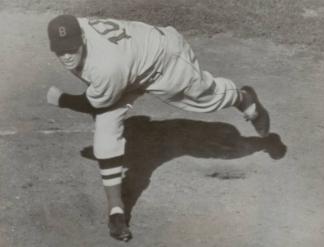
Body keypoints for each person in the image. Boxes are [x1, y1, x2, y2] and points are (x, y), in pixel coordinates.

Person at [46, 14, 270, 242]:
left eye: (72, 48)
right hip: (127, 67)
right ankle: (116, 211)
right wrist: (101, 105)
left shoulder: (106, 65)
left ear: (82, 38)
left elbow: (91, 102)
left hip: (163, 59)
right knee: (105, 133)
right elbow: (99, 99)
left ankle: (243, 98)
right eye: (60, 50)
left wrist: (61, 99)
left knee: (205, 98)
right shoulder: (77, 27)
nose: (66, 56)